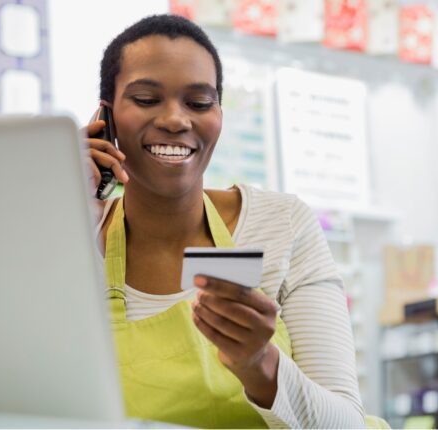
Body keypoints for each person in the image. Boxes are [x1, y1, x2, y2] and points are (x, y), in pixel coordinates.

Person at [85, 14, 368, 429]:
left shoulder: (282, 225)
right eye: (146, 99)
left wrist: (261, 365)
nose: (176, 120)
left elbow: (347, 425)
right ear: (104, 119)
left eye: (199, 103)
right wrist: (69, 213)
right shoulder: (75, 239)